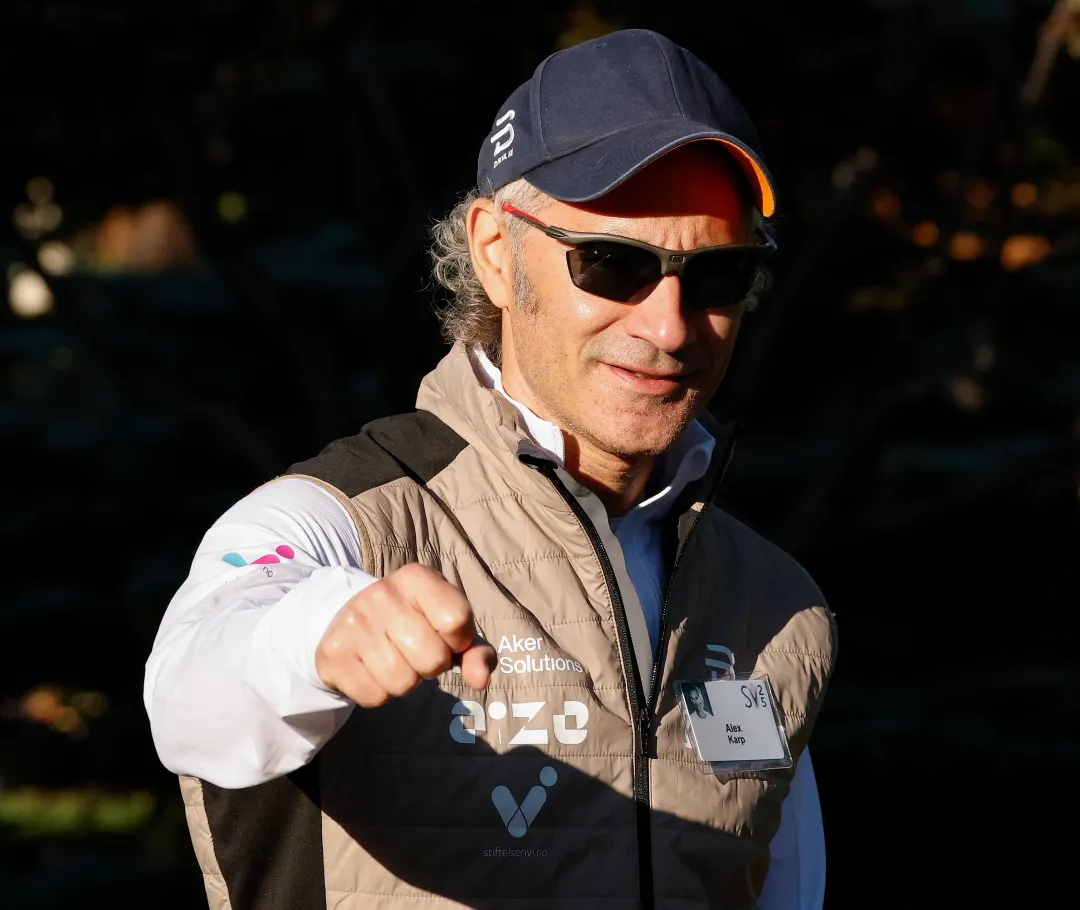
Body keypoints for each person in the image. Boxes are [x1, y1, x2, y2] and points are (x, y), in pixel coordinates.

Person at [144, 28, 837, 910]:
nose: (669, 327)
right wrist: (318, 634)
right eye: (613, 264)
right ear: (497, 255)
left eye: (718, 276)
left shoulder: (779, 606)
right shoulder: (343, 522)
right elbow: (191, 689)